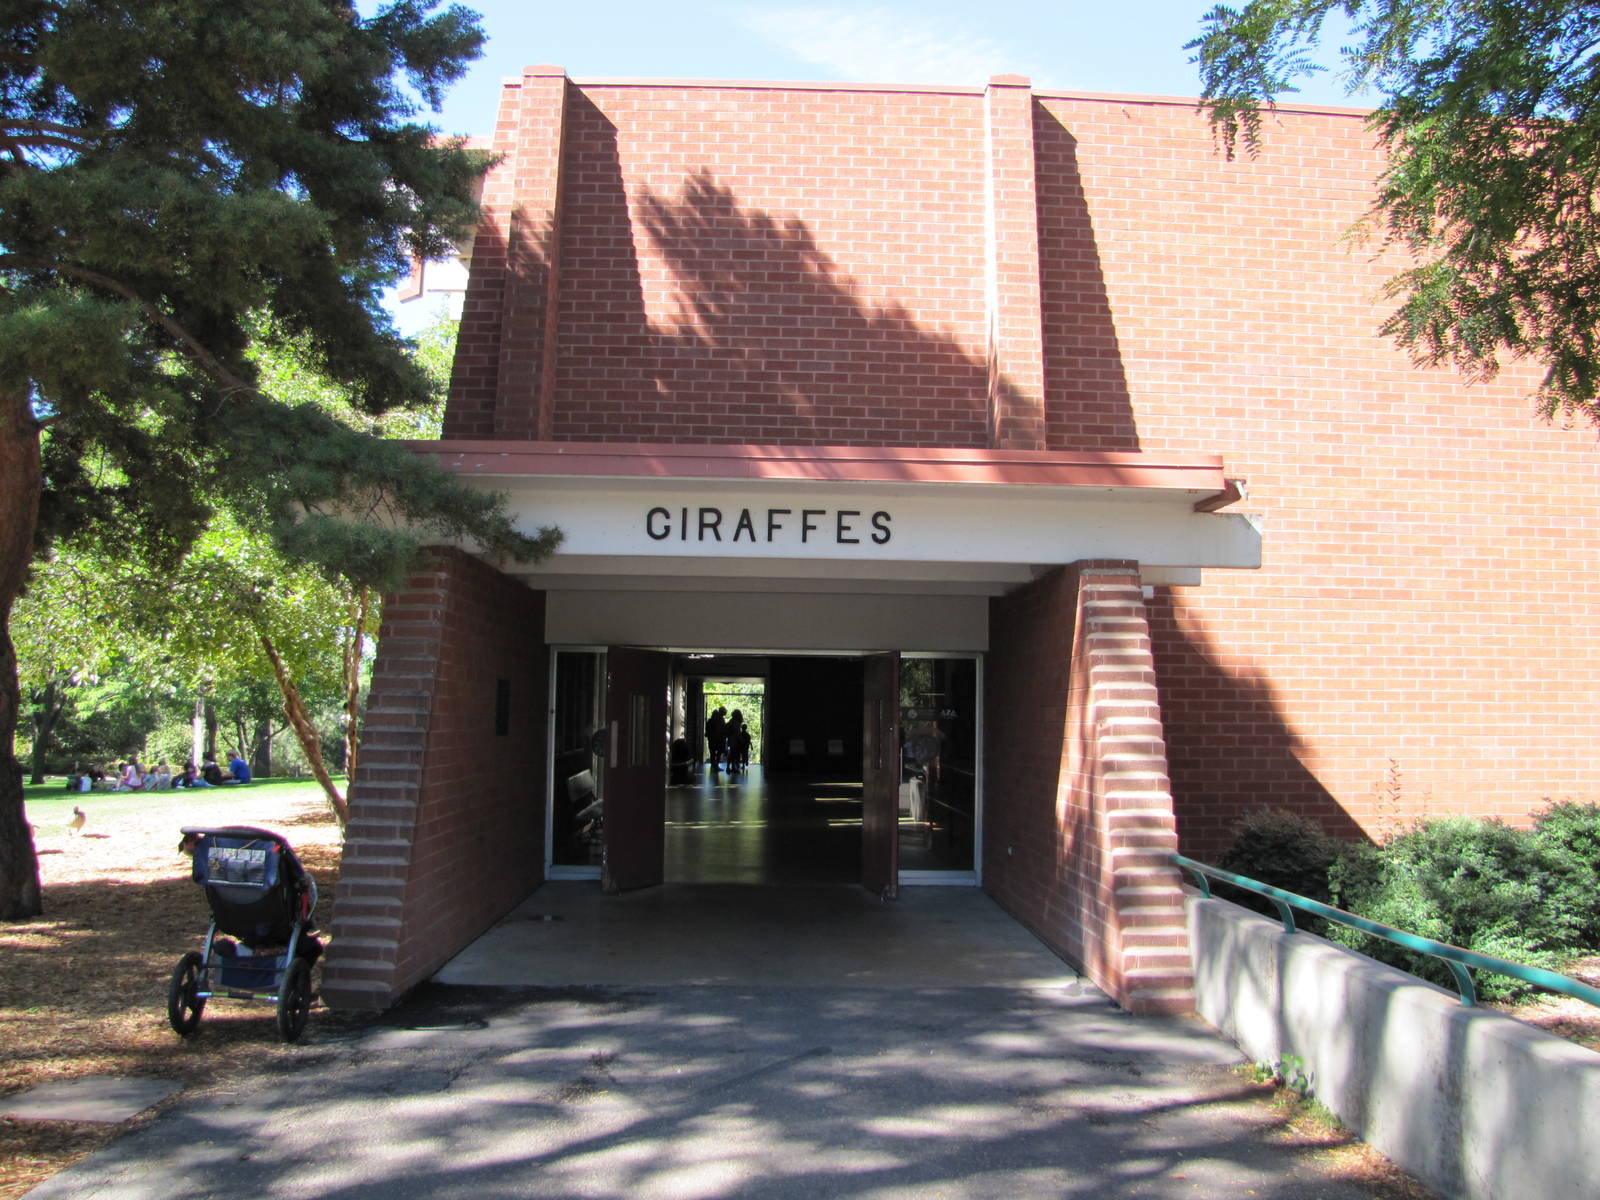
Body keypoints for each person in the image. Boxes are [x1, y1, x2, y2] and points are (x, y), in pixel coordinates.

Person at [704, 706, 727, 774]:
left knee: (712, 753)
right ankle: (716, 766)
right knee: (718, 753)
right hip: (719, 739)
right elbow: (723, 729)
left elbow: (707, 730)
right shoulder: (721, 720)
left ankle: (713, 765)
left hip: (711, 739)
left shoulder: (710, 720)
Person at [726, 710, 749, 777]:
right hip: (735, 740)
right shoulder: (736, 723)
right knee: (734, 754)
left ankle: (731, 767)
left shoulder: (731, 721)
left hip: (731, 740)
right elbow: (738, 733)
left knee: (731, 753)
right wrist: (742, 741)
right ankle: (732, 767)